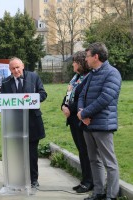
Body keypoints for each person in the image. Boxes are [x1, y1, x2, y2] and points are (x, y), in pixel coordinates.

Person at [77, 42, 121, 200]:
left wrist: (85, 113)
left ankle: (111, 195)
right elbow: (80, 94)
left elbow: (105, 99)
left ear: (96, 56)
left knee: (109, 162)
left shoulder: (112, 73)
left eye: (88, 56)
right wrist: (82, 113)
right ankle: (98, 192)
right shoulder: (91, 74)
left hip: (103, 125)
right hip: (88, 124)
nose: (86, 60)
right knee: (94, 159)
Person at [0, 57, 47, 188]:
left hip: (32, 121)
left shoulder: (33, 77)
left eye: (17, 68)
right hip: (14, 123)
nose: (16, 71)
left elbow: (43, 93)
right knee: (16, 153)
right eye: (13, 68)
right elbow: (3, 100)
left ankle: (33, 180)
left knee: (32, 153)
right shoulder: (5, 82)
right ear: (9, 70)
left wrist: (32, 99)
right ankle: (17, 179)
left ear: (23, 66)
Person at [61, 51, 93, 193]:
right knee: (81, 150)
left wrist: (70, 109)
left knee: (85, 151)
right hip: (72, 120)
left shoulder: (87, 78)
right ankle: (84, 179)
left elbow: (82, 98)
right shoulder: (75, 78)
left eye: (74, 61)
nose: (73, 64)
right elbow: (68, 95)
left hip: (80, 119)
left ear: (80, 63)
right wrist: (63, 105)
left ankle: (89, 181)